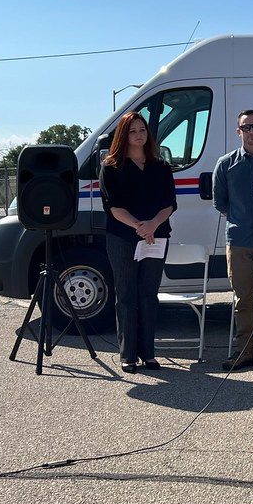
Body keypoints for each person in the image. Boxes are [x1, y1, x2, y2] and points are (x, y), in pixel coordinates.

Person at [99, 111, 177, 373]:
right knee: (126, 295)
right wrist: (140, 227)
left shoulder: (160, 165)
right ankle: (128, 355)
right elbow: (113, 207)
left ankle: (149, 354)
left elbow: (170, 203)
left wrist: (153, 224)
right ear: (123, 135)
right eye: (133, 131)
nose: (139, 135)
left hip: (156, 236)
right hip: (123, 238)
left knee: (148, 294)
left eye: (142, 130)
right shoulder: (111, 167)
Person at [212, 109, 253, 371]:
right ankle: (245, 350)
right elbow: (220, 203)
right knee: (243, 299)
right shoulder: (226, 164)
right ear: (239, 132)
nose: (252, 132)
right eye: (247, 128)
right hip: (239, 240)